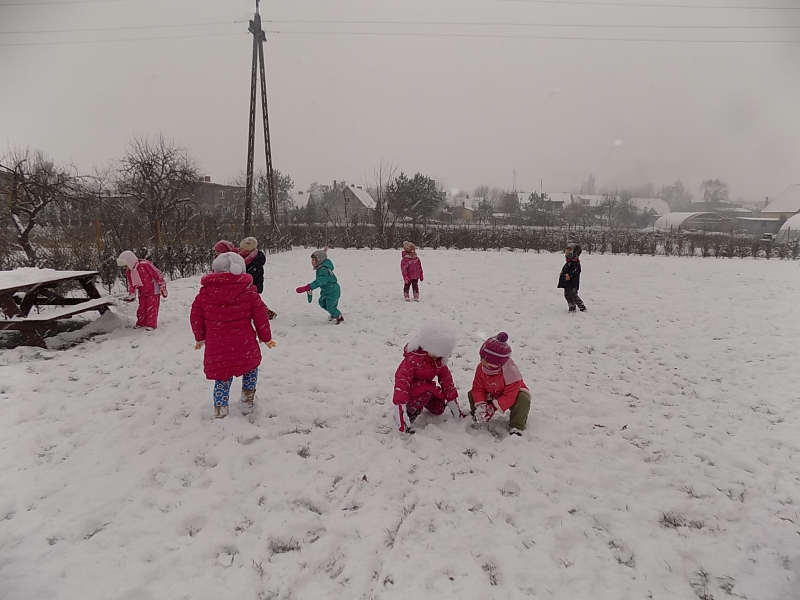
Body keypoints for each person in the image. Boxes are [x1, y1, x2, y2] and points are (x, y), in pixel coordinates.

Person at [190, 252, 275, 419]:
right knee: (250, 370)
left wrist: (199, 337)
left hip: (217, 346)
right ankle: (247, 401)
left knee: (222, 376)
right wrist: (266, 338)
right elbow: (261, 317)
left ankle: (220, 409)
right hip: (245, 344)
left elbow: (196, 317)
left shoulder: (204, 294)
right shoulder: (249, 292)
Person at [392, 323, 465, 434]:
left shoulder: (439, 361)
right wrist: (400, 404)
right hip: (411, 389)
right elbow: (402, 380)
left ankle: (424, 401)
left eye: (440, 355)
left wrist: (453, 402)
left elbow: (447, 381)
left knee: (438, 408)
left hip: (426, 387)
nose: (437, 357)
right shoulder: (413, 359)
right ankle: (410, 411)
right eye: (435, 354)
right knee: (424, 393)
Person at [468, 332, 530, 436]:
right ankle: (478, 415)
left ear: (493, 362)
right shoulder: (481, 368)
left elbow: (510, 395)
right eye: (481, 356)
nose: (480, 359)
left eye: (483, 358)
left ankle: (516, 426)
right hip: (491, 392)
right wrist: (482, 405)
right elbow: (478, 388)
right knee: (472, 394)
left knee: (523, 399)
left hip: (512, 395)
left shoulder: (511, 373)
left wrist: (493, 408)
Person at [116, 250, 167, 330]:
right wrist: (132, 293)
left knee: (151, 308)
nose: (125, 268)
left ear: (130, 261)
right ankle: (141, 323)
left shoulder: (145, 265)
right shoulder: (129, 271)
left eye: (125, 266)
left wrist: (162, 287)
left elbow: (157, 274)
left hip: (153, 290)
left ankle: (151, 324)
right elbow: (131, 283)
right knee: (141, 308)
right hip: (142, 291)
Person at [295, 248, 343, 324]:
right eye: (312, 260)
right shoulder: (321, 268)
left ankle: (338, 316)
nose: (312, 262)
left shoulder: (324, 270)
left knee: (330, 307)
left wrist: (308, 287)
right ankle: (333, 313)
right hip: (326, 291)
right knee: (322, 302)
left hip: (332, 291)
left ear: (319, 260)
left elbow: (319, 282)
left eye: (313, 260)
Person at [557, 242, 586, 313]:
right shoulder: (568, 262)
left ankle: (581, 306)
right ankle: (571, 306)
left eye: (568, 251)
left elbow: (576, 271)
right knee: (567, 295)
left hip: (573, 282)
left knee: (573, 294)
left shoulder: (576, 262)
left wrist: (569, 274)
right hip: (567, 282)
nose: (566, 253)